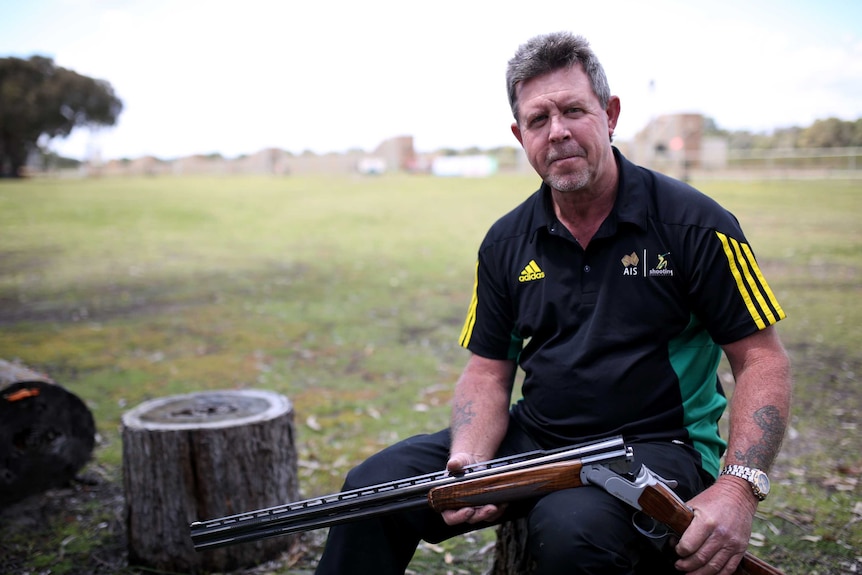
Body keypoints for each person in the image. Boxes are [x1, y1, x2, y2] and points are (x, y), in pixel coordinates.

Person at [315, 31, 792, 575]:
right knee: (371, 491)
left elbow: (763, 359)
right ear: (520, 135)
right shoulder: (505, 242)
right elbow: (488, 370)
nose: (558, 131)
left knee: (572, 531)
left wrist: (739, 487)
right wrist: (471, 458)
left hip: (659, 444)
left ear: (610, 115)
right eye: (538, 120)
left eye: (573, 110)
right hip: (539, 437)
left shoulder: (697, 225)